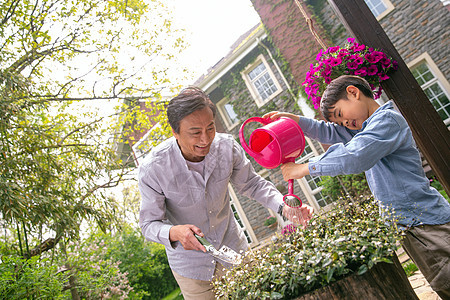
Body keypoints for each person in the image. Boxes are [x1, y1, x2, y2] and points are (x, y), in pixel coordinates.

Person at [264, 75, 450, 299]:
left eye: (342, 115)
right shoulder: (364, 127)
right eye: (342, 123)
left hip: (425, 223)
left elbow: (355, 155)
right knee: (441, 283)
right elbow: (329, 132)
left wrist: (305, 168)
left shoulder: (387, 121)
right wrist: (296, 121)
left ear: (353, 92)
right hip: (411, 225)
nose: (346, 124)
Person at [138, 86, 313, 300]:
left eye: (210, 128)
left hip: (234, 250)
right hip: (192, 270)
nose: (205, 140)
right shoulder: (153, 168)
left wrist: (283, 206)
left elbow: (251, 184)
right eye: (195, 133)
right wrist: (175, 232)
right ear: (175, 132)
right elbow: (148, 224)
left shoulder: (226, 147)